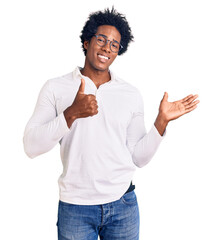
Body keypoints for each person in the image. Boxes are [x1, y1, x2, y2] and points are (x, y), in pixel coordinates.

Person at [23, 7, 199, 240]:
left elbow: (138, 158)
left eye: (114, 44)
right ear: (86, 42)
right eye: (102, 39)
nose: (107, 47)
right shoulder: (56, 88)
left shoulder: (130, 94)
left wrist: (161, 121)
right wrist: (70, 114)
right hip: (76, 207)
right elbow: (31, 147)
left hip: (123, 204)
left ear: (118, 51)